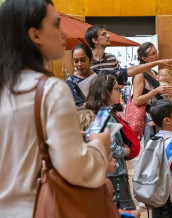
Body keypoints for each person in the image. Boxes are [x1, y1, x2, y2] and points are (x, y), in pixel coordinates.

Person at [0, 0, 112, 217]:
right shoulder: (50, 90)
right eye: (56, 24)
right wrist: (99, 145)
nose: (63, 33)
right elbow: (77, 169)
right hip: (37, 208)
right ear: (35, 35)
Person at [86, 74, 137, 211]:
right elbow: (110, 147)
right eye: (116, 89)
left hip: (113, 171)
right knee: (127, 210)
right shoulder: (104, 116)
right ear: (106, 92)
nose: (119, 93)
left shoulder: (102, 113)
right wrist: (126, 151)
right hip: (115, 173)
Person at [67, 44, 172, 106]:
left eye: (82, 60)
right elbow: (75, 108)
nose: (79, 64)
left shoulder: (98, 74)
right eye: (76, 61)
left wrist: (158, 62)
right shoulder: (71, 82)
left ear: (90, 60)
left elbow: (128, 71)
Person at [133, 42, 172, 146]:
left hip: (160, 115)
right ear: (144, 58)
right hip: (149, 117)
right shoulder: (140, 74)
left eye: (157, 52)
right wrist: (156, 91)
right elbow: (136, 100)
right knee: (151, 148)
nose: (157, 56)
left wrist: (169, 92)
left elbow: (161, 92)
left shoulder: (155, 73)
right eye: (153, 54)